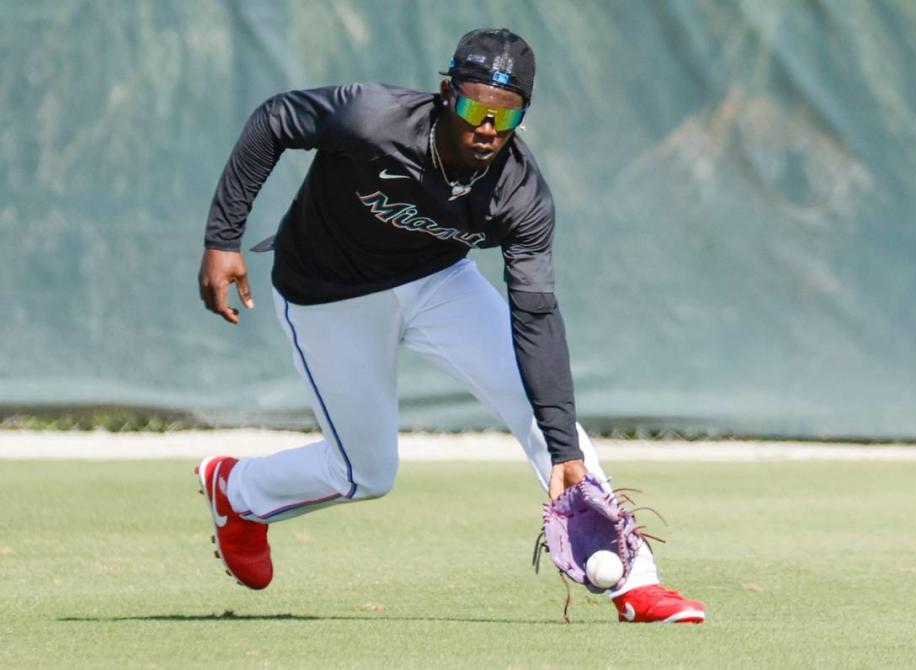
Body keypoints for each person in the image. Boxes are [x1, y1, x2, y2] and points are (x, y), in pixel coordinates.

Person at [197, 27, 704, 624]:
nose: (487, 126)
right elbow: (275, 119)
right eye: (473, 107)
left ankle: (635, 583)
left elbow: (536, 316)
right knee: (366, 473)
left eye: (506, 113)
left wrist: (563, 448)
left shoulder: (520, 196)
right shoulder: (373, 118)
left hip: (438, 283)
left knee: (547, 418)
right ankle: (238, 492)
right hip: (329, 294)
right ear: (446, 94)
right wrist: (222, 237)